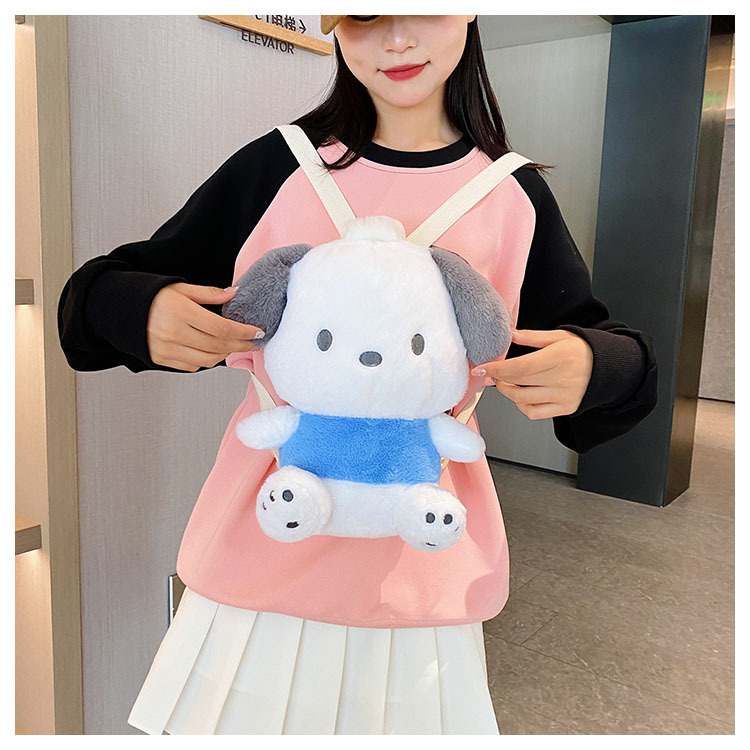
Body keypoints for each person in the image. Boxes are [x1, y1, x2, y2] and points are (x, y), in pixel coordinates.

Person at [57, 15, 657, 735]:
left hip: (421, 560)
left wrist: (594, 366)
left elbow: (608, 354)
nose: (396, 40)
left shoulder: (511, 193)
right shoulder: (280, 165)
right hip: (264, 543)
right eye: (367, 14)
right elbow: (94, 296)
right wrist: (141, 308)